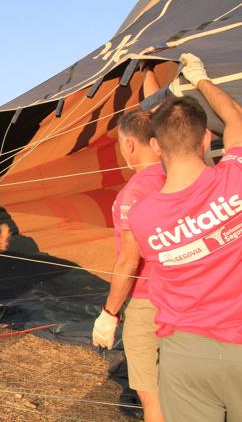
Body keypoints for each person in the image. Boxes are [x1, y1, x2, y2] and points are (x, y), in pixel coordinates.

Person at [128, 53, 242, 421]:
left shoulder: (142, 216)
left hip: (184, 354)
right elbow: (235, 119)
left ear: (156, 147)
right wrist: (201, 78)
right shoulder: (234, 181)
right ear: (208, 138)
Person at [92, 66, 166, 422]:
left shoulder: (132, 194)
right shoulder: (188, 173)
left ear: (130, 145)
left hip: (150, 304)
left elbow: (128, 263)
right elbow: (162, 112)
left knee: (152, 395)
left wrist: (109, 314)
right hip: (191, 299)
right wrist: (147, 71)